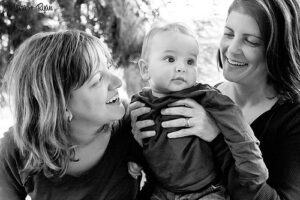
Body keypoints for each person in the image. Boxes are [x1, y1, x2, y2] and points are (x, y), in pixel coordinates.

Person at [130, 0, 300, 199]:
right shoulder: (199, 95)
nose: (232, 49)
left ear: (276, 50)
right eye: (228, 33)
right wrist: (139, 146)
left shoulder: (293, 119)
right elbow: (167, 177)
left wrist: (217, 140)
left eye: (251, 41)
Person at [0, 30, 142, 200]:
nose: (117, 82)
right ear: (59, 106)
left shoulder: (135, 122)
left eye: (108, 67)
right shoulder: (17, 149)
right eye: (97, 80)